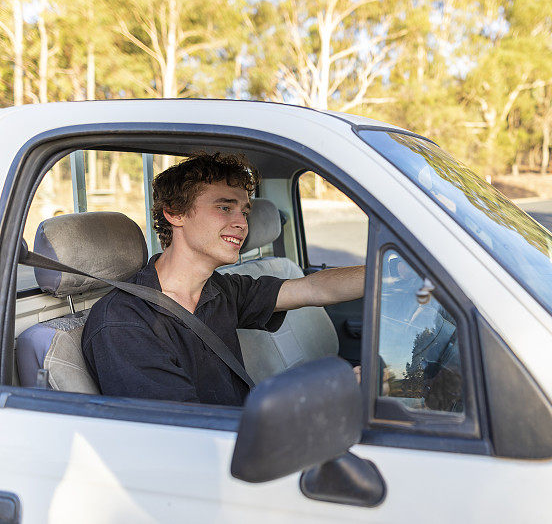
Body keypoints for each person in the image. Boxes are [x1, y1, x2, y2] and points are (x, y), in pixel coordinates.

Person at [81, 152, 365, 406]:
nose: (242, 223)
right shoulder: (123, 321)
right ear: (174, 213)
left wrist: (387, 275)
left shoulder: (219, 289)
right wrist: (320, 397)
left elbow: (312, 289)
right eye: (224, 207)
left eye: (244, 211)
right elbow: (183, 434)